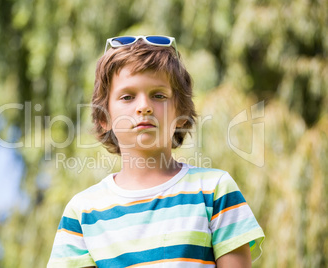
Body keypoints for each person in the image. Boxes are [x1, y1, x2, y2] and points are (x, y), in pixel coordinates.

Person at [47, 36, 264, 268]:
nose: (144, 106)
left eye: (159, 95)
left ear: (180, 112)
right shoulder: (82, 213)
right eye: (127, 97)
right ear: (104, 117)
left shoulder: (215, 191)